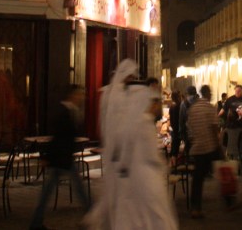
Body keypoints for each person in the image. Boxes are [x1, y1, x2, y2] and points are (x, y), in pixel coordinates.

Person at [84, 59, 177, 230]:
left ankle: (96, 219)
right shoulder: (130, 110)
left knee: (124, 204)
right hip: (137, 170)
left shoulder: (127, 108)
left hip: (125, 165)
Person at [29, 85, 91, 230]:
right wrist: (47, 156)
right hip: (60, 159)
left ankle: (36, 223)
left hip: (64, 158)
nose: (82, 97)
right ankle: (91, 216)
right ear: (72, 95)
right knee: (72, 190)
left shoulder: (71, 111)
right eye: (80, 94)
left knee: (57, 192)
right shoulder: (64, 112)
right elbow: (57, 137)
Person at [187, 85, 234, 218]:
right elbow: (214, 129)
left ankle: (195, 208)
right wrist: (219, 147)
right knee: (223, 172)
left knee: (197, 179)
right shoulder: (209, 108)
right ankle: (229, 201)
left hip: (197, 148)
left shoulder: (193, 109)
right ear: (208, 94)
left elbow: (189, 130)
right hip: (210, 147)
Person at [220, 85, 242, 167]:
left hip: (241, 125)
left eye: (239, 91)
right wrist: (217, 116)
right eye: (236, 91)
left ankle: (235, 158)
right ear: (234, 91)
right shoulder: (230, 99)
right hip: (230, 124)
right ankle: (231, 157)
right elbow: (223, 109)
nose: (238, 92)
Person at [180, 86, 199, 158]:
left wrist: (182, 134)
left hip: (188, 133)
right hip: (199, 133)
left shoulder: (183, 103)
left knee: (189, 153)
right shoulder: (200, 102)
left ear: (187, 93)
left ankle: (189, 164)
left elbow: (181, 120)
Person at [168, 90, 183, 160]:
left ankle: (173, 161)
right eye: (179, 96)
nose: (180, 97)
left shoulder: (171, 106)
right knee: (176, 147)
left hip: (175, 129)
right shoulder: (179, 105)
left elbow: (171, 120)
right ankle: (175, 163)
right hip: (179, 129)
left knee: (174, 146)